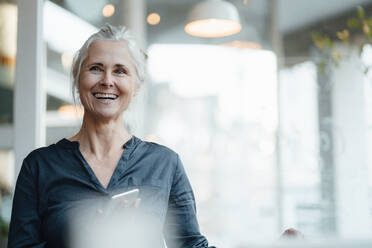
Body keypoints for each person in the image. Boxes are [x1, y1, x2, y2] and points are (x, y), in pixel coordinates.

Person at [8, 24, 300, 248]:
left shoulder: (165, 164)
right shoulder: (39, 166)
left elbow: (190, 246)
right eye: (95, 68)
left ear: (136, 86)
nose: (107, 80)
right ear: (78, 78)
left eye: (120, 71)